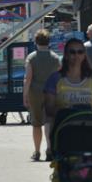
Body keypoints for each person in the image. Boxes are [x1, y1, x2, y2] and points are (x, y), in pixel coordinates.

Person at [23, 29, 61, 162]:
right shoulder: (55, 58)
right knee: (49, 121)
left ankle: (37, 151)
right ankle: (50, 149)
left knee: (36, 123)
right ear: (48, 41)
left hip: (36, 93)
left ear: (36, 42)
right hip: (51, 93)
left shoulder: (31, 58)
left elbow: (28, 78)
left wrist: (25, 95)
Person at [44, 38, 92, 118]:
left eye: (80, 52)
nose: (76, 55)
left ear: (84, 55)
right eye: (72, 52)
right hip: (63, 125)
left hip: (88, 125)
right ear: (66, 55)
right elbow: (49, 109)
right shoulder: (55, 79)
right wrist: (68, 113)